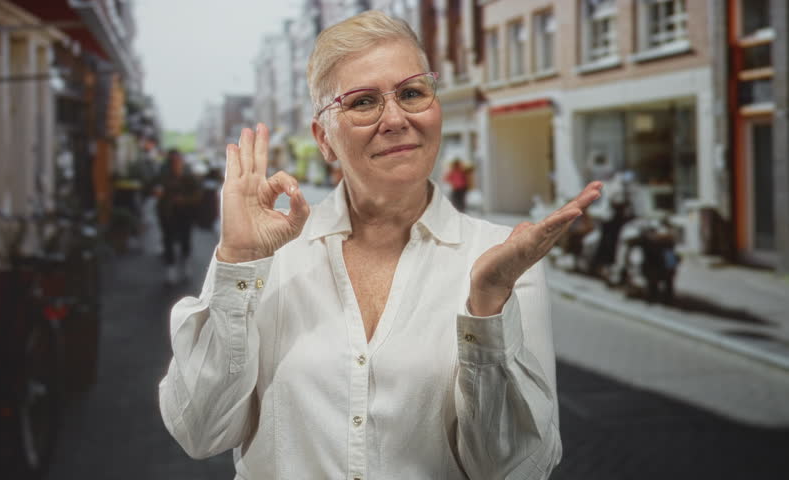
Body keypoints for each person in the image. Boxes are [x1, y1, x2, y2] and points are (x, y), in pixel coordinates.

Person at [159, 11, 601, 479]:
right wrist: (239, 262)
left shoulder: (502, 260)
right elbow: (200, 431)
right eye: (363, 102)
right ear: (324, 140)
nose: (395, 119)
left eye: (411, 93)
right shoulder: (268, 255)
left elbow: (513, 470)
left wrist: (488, 307)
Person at [155, 148, 201, 284]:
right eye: (173, 162)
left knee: (185, 240)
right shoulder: (164, 175)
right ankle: (171, 268)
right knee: (168, 239)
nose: (176, 164)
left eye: (178, 161)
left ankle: (185, 264)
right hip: (167, 214)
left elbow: (197, 195)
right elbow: (153, 186)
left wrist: (184, 200)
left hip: (185, 214)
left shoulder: (189, 177)